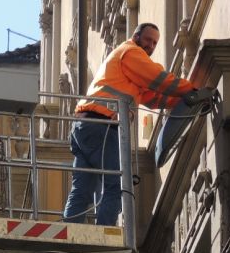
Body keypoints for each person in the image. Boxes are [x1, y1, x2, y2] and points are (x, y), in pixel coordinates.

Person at [63, 22, 198, 226]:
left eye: (154, 43)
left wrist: (183, 101)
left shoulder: (129, 72)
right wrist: (191, 89)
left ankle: (69, 231)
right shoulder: (131, 52)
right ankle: (104, 235)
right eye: (148, 40)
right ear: (136, 37)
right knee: (115, 186)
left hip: (84, 127)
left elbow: (153, 98)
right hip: (102, 125)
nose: (151, 46)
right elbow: (158, 79)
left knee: (82, 188)